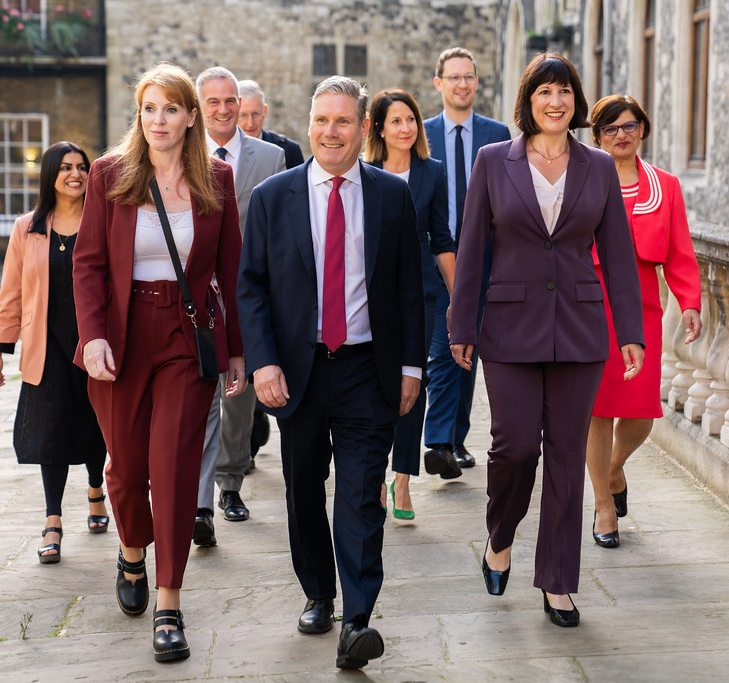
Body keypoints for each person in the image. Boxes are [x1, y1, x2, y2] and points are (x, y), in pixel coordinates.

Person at [448, 53, 645, 627]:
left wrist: (629, 331)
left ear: (574, 101)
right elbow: (472, 249)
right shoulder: (492, 161)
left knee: (565, 455)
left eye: (564, 91)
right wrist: (462, 324)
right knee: (513, 449)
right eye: (543, 92)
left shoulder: (599, 167)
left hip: (581, 332)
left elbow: (617, 254)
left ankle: (558, 580)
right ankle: (500, 535)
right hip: (508, 330)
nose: (554, 101)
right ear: (527, 101)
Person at [237, 76, 425, 670]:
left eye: (343, 121)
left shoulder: (392, 197)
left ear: (362, 128)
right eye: (321, 120)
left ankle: (360, 618)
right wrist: (263, 360)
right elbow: (252, 289)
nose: (330, 132)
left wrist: (411, 367)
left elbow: (409, 290)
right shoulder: (273, 197)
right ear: (309, 122)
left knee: (361, 496)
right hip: (300, 371)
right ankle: (319, 591)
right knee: (302, 488)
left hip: (368, 369)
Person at [72, 62, 246, 662]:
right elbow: (89, 263)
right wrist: (93, 335)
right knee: (123, 469)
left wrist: (238, 352)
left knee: (172, 467)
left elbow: (232, 274)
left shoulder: (216, 179)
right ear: (139, 115)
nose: (159, 119)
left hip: (186, 333)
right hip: (121, 336)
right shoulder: (109, 174)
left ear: (191, 116)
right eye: (149, 108)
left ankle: (169, 603)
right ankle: (130, 550)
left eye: (171, 108)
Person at [585, 95, 702, 548]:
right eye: (611, 129)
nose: (621, 135)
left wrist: (689, 301)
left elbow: (679, 251)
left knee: (639, 413)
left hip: (642, 310)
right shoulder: (582, 182)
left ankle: (614, 470)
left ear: (643, 130)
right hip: (589, 306)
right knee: (596, 410)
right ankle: (601, 505)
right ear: (597, 136)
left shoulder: (666, 185)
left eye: (629, 126)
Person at [0, 141, 108, 566]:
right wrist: (1, 347)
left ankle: (96, 488)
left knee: (96, 427)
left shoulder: (103, 221)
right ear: (50, 175)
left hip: (93, 344)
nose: (75, 174)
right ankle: (52, 520)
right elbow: (12, 291)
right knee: (52, 432)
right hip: (47, 347)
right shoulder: (27, 228)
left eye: (82, 168)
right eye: (66, 168)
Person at [193, 67, 285, 547]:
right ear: (198, 107)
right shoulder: (182, 158)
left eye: (231, 101)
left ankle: (230, 483)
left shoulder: (271, 158)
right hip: (194, 297)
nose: (225, 110)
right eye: (214, 102)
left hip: (248, 295)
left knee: (239, 396)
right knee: (203, 399)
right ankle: (200, 501)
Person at [363, 88, 454, 520]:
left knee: (413, 380)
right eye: (395, 120)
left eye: (411, 120)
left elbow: (442, 238)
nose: (405, 128)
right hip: (372, 295)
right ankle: (376, 471)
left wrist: (459, 299)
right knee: (377, 381)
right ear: (379, 127)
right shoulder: (362, 172)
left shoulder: (432, 172)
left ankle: (402, 481)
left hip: (423, 293)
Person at [422, 47, 511, 478]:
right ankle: (440, 439)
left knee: (467, 348)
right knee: (445, 347)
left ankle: (453, 439)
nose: (462, 84)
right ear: (438, 83)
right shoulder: (420, 134)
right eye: (453, 77)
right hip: (433, 256)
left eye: (469, 77)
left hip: (485, 257)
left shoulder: (498, 134)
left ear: (477, 82)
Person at [238, 79, 305, 170]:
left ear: (265, 111)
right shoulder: (222, 150)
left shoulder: (289, 151)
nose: (250, 123)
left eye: (256, 114)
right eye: (243, 115)